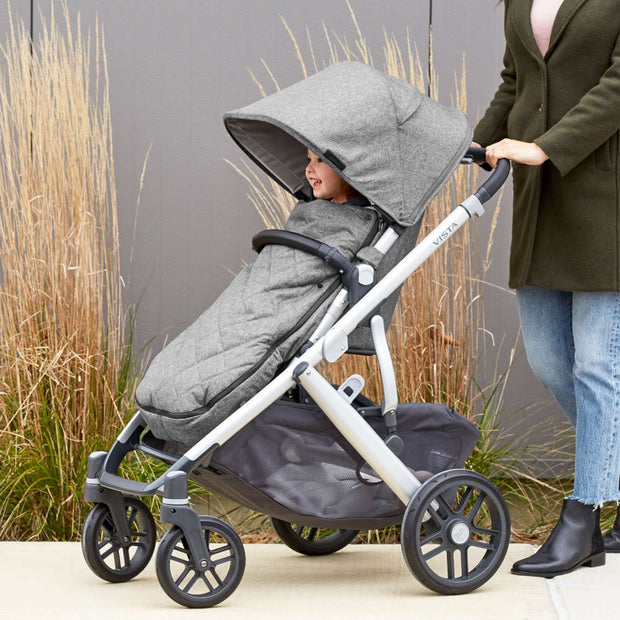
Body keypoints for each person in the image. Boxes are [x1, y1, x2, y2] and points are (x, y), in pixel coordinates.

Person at [472, 0, 620, 578]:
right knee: (551, 360)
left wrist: (545, 146)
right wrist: (477, 142)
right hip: (538, 199)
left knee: (598, 366)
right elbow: (517, 80)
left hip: (604, 195)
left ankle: (582, 518)